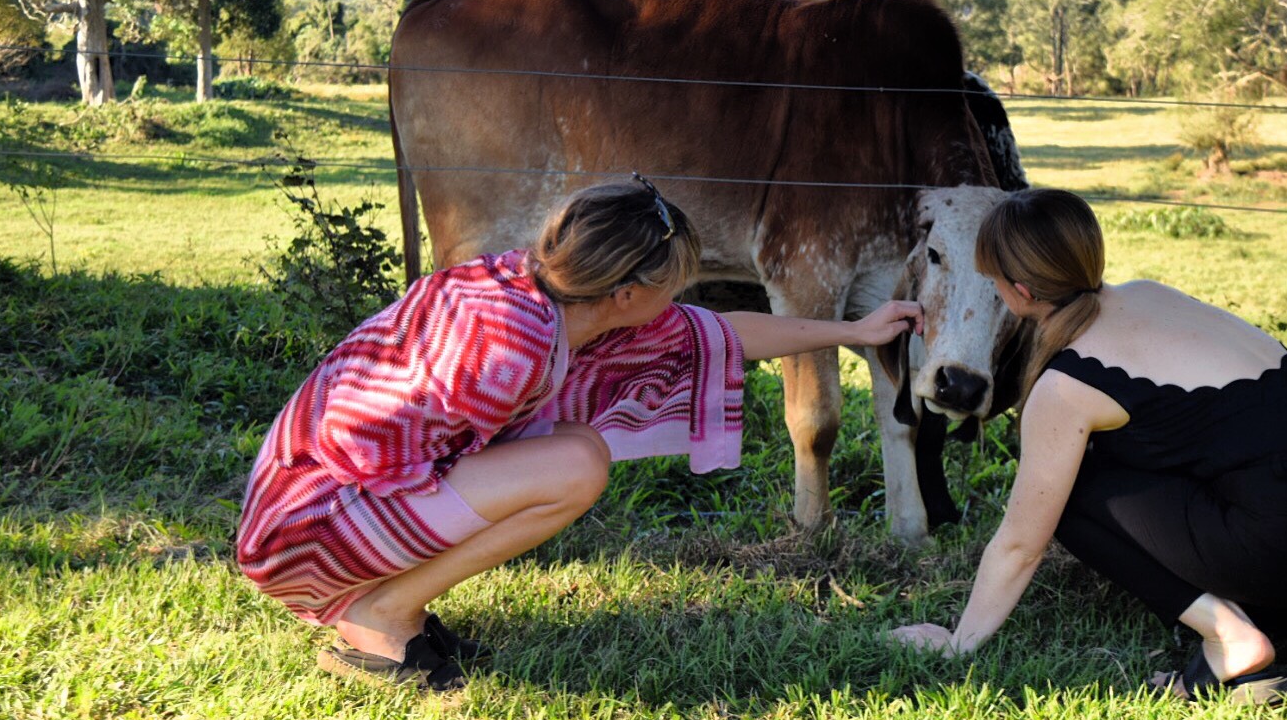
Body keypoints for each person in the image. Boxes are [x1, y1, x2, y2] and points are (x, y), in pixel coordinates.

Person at [237, 176, 922, 692]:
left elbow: (720, 334)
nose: (680, 298)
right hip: (308, 522)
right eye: (673, 284)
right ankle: (380, 615)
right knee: (573, 468)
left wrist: (856, 331)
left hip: (324, 502)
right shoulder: (506, 345)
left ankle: (390, 605)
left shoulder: (545, 296)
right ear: (625, 294)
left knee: (576, 454)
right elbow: (374, 443)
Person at [889, 187, 1287, 703]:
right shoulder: (1151, 294)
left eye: (992, 280)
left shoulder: (1066, 388)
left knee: (1065, 495)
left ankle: (1230, 637)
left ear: (1018, 291)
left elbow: (1022, 543)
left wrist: (959, 642)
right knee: (1137, 466)